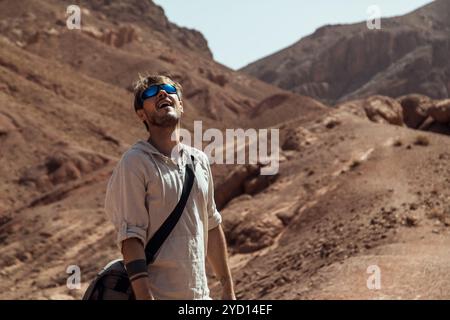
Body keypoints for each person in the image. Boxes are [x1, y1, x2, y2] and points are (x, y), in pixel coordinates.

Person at [104, 74, 235, 300]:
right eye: (151, 93)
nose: (162, 93)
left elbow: (212, 226)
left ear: (181, 105)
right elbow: (130, 238)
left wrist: (228, 289)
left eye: (167, 89)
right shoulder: (136, 162)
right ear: (141, 114)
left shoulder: (199, 161)